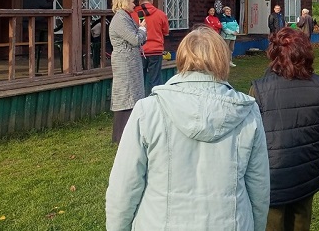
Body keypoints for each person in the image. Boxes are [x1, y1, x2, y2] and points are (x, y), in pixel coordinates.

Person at [105, 27, 270, 231]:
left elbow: (123, 187)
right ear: (223, 59)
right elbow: (260, 187)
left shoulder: (147, 111)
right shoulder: (148, 109)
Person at [250, 28, 319, 231]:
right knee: (299, 222)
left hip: (273, 176)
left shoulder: (259, 90)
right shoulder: (318, 85)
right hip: (300, 171)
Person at [108, 0, 147, 144]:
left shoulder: (125, 17)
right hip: (124, 61)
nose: (134, 5)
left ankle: (129, 132)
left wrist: (140, 32)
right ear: (124, 3)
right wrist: (143, 30)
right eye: (131, 2)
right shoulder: (120, 19)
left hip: (130, 60)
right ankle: (120, 135)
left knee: (132, 93)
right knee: (126, 94)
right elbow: (135, 39)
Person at [131, 0, 170, 96]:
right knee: (155, 79)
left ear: (139, 3)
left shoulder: (133, 15)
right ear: (151, 2)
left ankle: (140, 102)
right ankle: (155, 101)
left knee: (139, 79)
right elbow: (166, 32)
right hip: (155, 50)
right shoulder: (161, 14)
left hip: (139, 50)